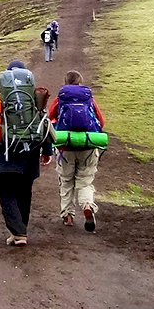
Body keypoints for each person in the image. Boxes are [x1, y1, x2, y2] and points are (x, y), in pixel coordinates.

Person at [0, 60, 54, 247]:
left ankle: (18, 232)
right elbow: (44, 122)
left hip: (5, 150)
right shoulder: (34, 95)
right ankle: (20, 232)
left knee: (6, 191)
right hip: (30, 151)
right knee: (25, 192)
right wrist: (47, 151)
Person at [48, 70, 106, 232]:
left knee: (66, 180)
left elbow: (50, 118)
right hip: (88, 146)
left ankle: (67, 215)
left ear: (65, 82)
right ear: (80, 82)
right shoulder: (89, 99)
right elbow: (101, 121)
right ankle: (87, 205)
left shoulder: (60, 99)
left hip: (65, 147)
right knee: (85, 181)